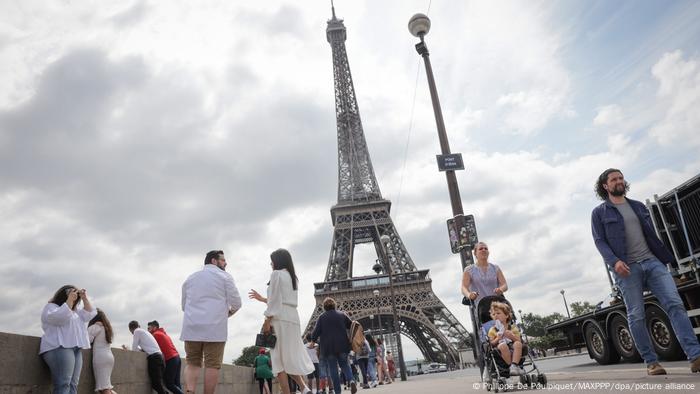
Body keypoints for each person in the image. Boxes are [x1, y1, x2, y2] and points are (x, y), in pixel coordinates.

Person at [591, 168, 700, 375]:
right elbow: (599, 241)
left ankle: (695, 356)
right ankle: (652, 362)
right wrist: (614, 262)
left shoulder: (638, 206)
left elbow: (650, 234)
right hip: (627, 269)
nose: (619, 181)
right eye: (614, 179)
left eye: (621, 178)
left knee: (675, 304)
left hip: (653, 262)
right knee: (637, 315)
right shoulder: (599, 213)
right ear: (605, 186)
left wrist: (664, 257)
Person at [249, 248, 315, 394]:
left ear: (277, 261)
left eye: (272, 261)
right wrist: (263, 299)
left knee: (278, 360)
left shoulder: (276, 274)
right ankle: (304, 388)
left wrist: (267, 320)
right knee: (289, 357)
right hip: (293, 317)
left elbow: (275, 302)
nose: (271, 264)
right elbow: (283, 300)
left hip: (279, 319)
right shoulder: (292, 277)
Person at [181, 250, 242, 394]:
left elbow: (184, 306)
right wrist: (226, 314)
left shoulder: (190, 278)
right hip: (215, 328)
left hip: (191, 327)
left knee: (192, 362)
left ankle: (190, 391)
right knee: (212, 365)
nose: (225, 263)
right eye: (223, 260)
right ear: (214, 261)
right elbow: (237, 303)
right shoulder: (225, 277)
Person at [40, 285, 96, 394]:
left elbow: (90, 314)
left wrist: (84, 298)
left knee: (73, 384)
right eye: (71, 294)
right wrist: (69, 299)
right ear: (64, 294)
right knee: (63, 383)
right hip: (58, 347)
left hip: (75, 349)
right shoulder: (51, 307)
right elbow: (60, 318)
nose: (75, 298)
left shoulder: (76, 312)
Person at [309, 297, 357, 394]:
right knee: (345, 365)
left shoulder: (321, 317)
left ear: (324, 307)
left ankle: (338, 392)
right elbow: (351, 325)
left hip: (328, 348)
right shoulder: (342, 314)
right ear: (334, 305)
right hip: (343, 345)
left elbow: (316, 331)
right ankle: (351, 380)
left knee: (333, 370)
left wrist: (312, 341)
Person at [461, 242, 508, 309]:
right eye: (481, 249)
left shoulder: (495, 268)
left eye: (486, 248)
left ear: (488, 252)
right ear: (475, 253)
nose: (484, 250)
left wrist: (501, 289)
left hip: (497, 306)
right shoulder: (469, 270)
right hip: (481, 308)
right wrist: (469, 295)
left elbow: (505, 285)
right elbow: (463, 288)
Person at [123, 321, 166, 394]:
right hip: (160, 357)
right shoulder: (144, 332)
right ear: (138, 325)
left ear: (130, 329)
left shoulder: (137, 331)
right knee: (157, 384)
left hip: (155, 358)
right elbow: (143, 350)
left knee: (157, 384)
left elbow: (134, 349)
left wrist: (127, 349)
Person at [487, 301, 522, 376]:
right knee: (502, 346)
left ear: (506, 315)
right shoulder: (492, 330)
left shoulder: (512, 328)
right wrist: (497, 338)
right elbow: (491, 343)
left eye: (498, 313)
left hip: (512, 347)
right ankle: (510, 366)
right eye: (493, 314)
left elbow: (519, 340)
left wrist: (512, 336)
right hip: (500, 349)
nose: (496, 315)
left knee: (518, 343)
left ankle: (514, 365)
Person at [148, 320, 184, 394]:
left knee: (169, 384)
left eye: (149, 328)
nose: (148, 330)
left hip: (170, 359)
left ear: (155, 327)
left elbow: (149, 347)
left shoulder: (155, 335)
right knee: (176, 383)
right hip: (177, 358)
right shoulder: (163, 334)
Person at [88, 309, 116, 394]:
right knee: (106, 386)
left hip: (101, 358)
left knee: (104, 388)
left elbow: (87, 340)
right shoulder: (106, 328)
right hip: (109, 357)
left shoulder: (96, 326)